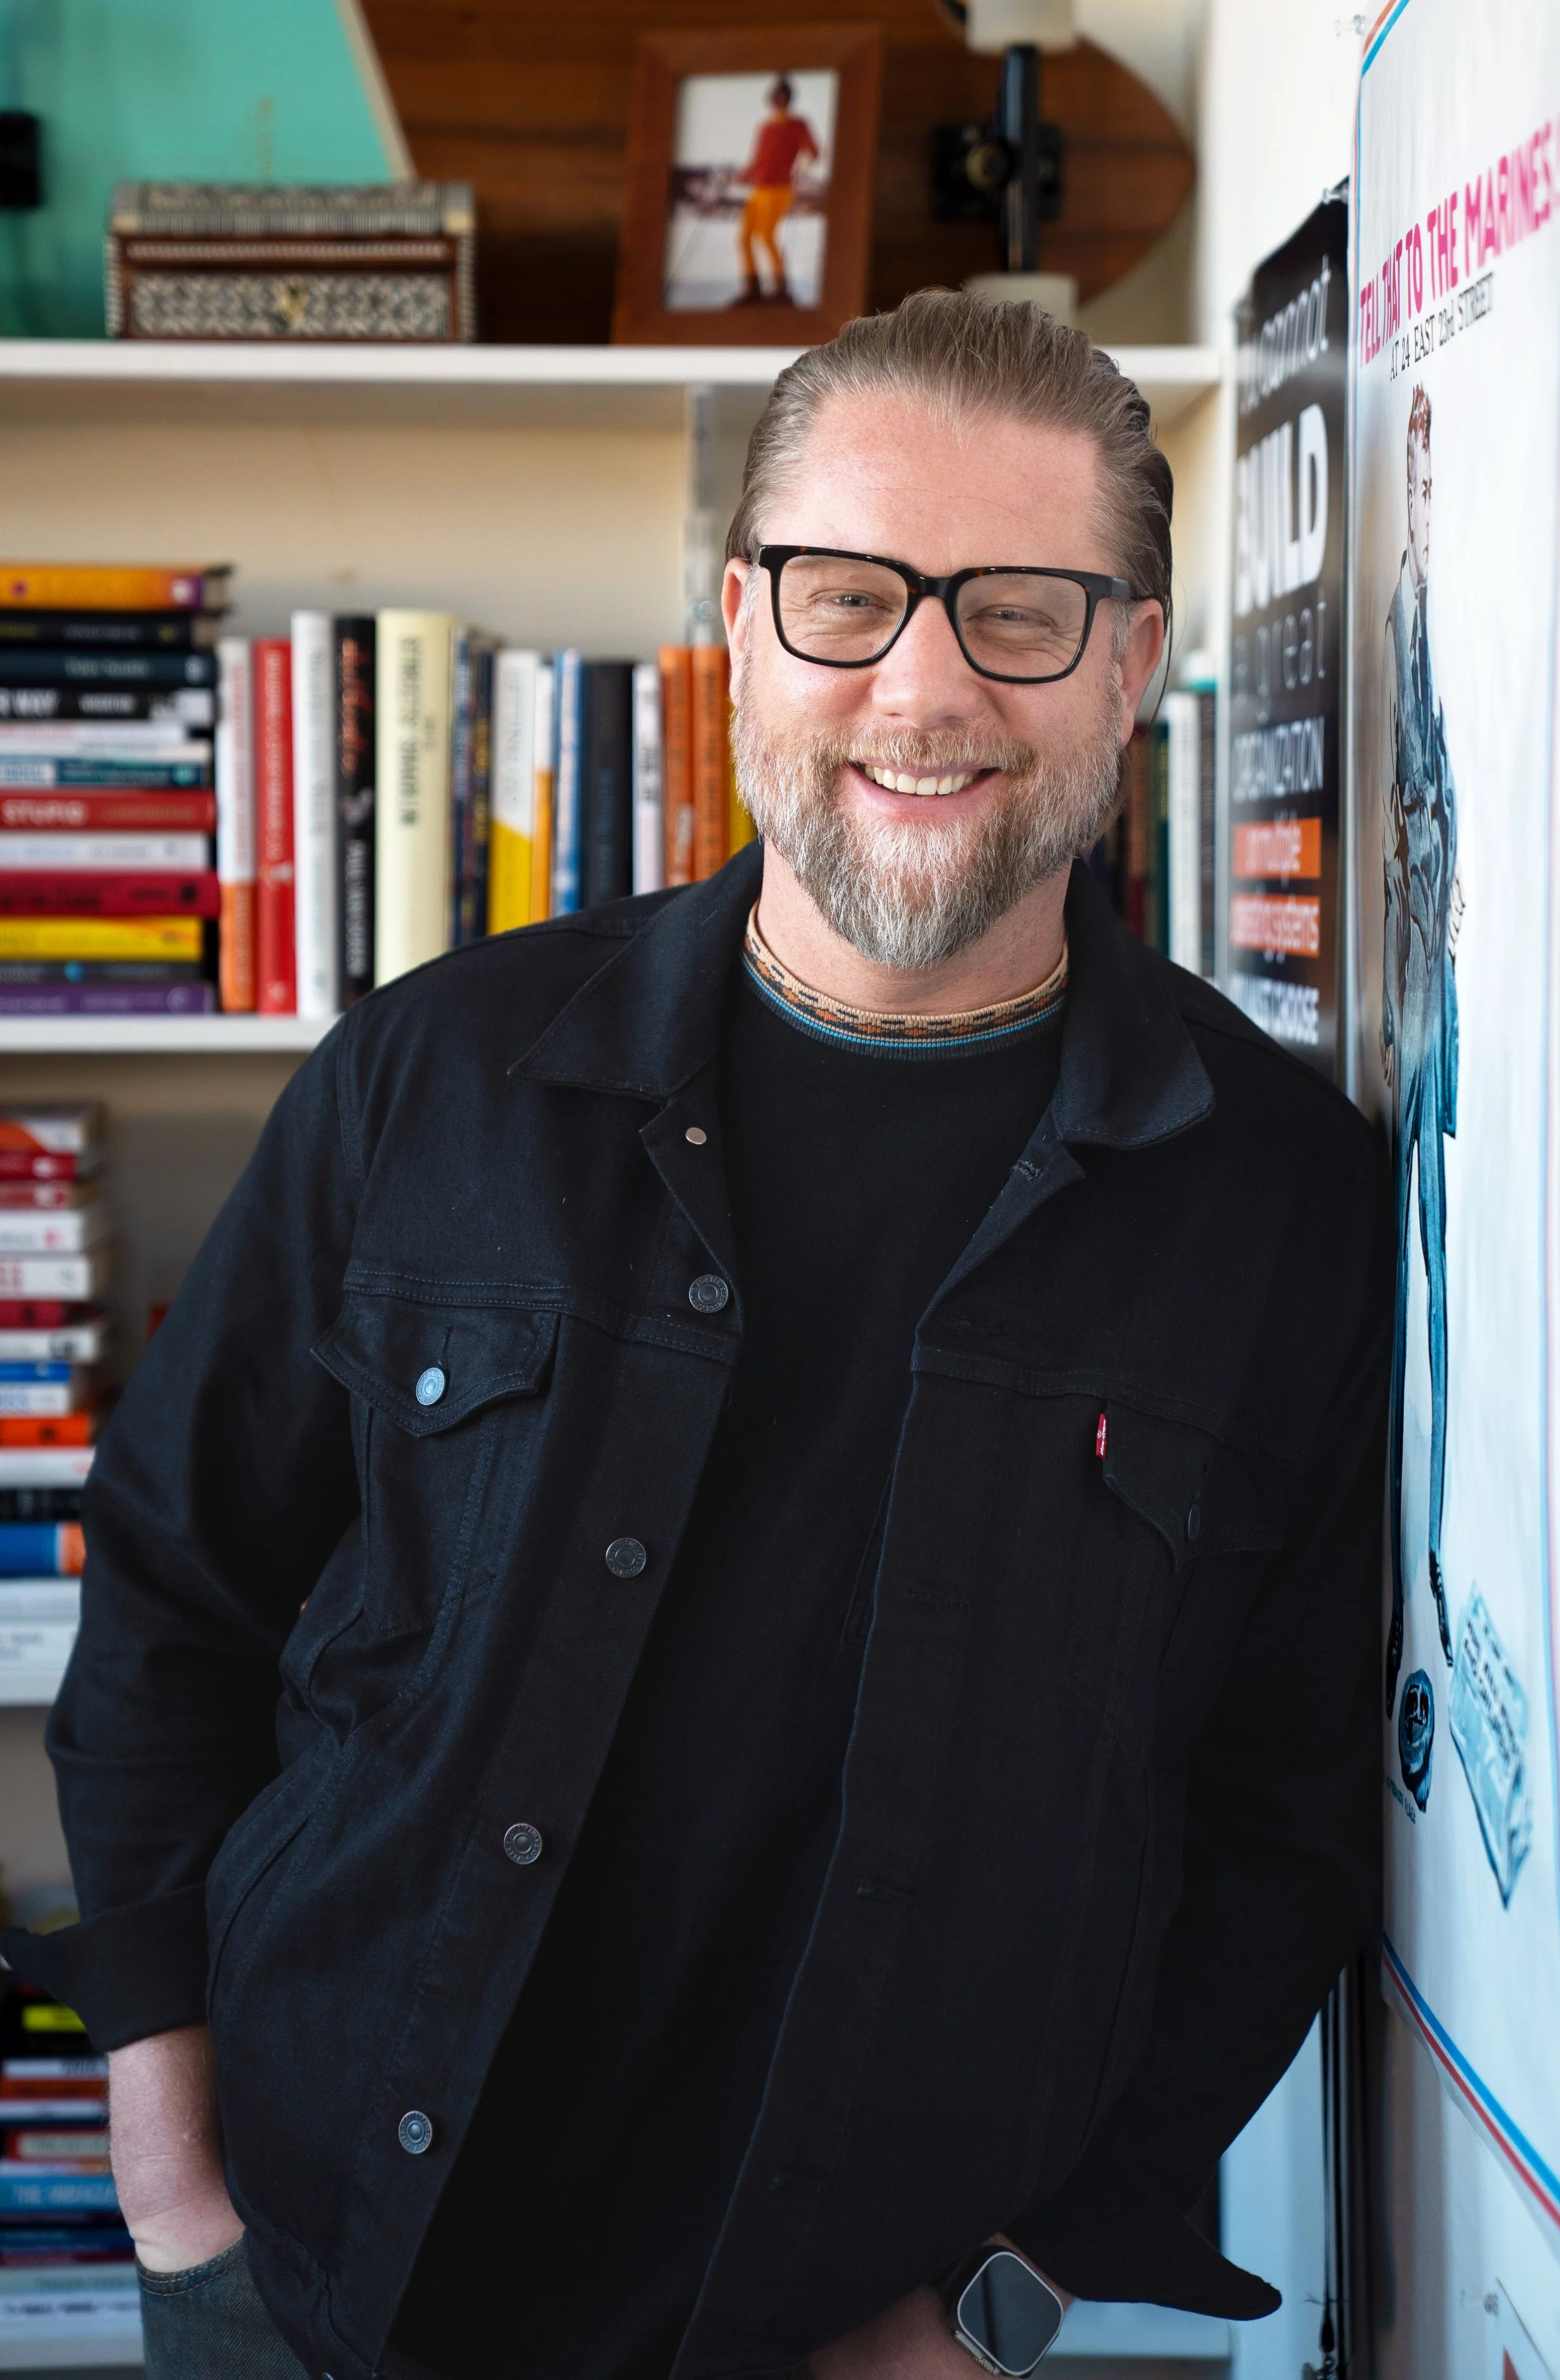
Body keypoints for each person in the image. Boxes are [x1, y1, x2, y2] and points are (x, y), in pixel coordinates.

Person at [3, 293, 1390, 2380]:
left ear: (1131, 659)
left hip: (857, 2337)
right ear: (739, 627)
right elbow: (175, 1607)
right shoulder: (430, 1080)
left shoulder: (1286, 1206)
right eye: (849, 598)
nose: (923, 689)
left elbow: (1283, 1832)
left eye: (1019, 609)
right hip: (311, 2283)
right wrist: (178, 2188)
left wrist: (985, 2311)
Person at [1381, 381, 1462, 1718]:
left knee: (1434, 1290)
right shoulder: (1403, 617)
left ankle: (1433, 1579)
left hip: (1431, 1015)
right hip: (1412, 1006)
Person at [736, 77, 818, 306]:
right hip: (760, 189)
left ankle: (781, 289)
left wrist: (806, 162)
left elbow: (813, 151)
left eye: (783, 96)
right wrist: (744, 174)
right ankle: (753, 289)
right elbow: (757, 160)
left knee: (766, 235)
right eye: (776, 97)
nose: (779, 101)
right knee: (744, 237)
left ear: (789, 99)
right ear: (771, 99)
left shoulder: (798, 125)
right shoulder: (766, 127)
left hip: (780, 189)